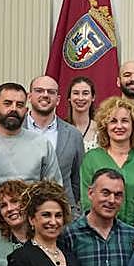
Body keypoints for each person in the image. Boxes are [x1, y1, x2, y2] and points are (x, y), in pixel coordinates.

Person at [0, 83, 62, 225]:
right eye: (7, 103)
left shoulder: (42, 144)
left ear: (26, 110)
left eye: (20, 105)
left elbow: (54, 191)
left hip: (30, 231)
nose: (14, 109)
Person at [80, 96, 134, 230]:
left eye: (125, 121)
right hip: (99, 233)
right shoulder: (92, 158)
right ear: (105, 125)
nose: (119, 126)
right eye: (113, 121)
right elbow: (87, 201)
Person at [25, 75, 84, 209]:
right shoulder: (16, 130)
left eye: (51, 92)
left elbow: (77, 181)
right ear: (29, 97)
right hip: (23, 213)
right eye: (39, 91)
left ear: (58, 100)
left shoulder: (73, 135)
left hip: (62, 216)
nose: (45, 95)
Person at [65, 75, 99, 151]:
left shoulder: (101, 130)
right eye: (76, 93)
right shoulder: (60, 129)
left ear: (93, 97)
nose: (80, 98)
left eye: (85, 93)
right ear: (69, 98)